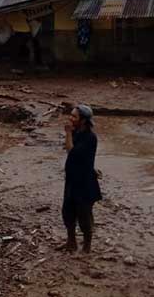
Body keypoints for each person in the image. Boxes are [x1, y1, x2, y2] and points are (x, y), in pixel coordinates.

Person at [61, 104, 102, 253]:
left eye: (74, 116)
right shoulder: (77, 132)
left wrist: (68, 134)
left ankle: (87, 246)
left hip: (85, 183)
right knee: (68, 212)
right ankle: (71, 241)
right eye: (71, 115)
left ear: (83, 120)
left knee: (84, 216)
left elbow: (71, 151)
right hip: (72, 180)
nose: (70, 118)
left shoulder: (90, 137)